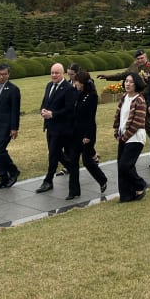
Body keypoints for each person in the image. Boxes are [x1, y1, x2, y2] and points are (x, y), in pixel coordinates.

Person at [64, 69, 107, 199]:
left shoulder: (92, 96)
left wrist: (87, 136)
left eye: (76, 81)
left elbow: (90, 117)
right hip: (75, 133)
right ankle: (74, 191)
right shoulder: (79, 93)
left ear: (82, 82)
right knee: (73, 162)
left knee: (87, 161)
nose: (74, 83)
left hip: (87, 133)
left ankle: (102, 179)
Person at [36, 63, 78, 194]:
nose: (54, 75)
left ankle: (48, 181)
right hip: (50, 127)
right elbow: (45, 101)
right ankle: (72, 167)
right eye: (52, 72)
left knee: (53, 154)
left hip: (62, 129)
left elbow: (69, 109)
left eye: (57, 73)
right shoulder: (49, 86)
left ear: (63, 73)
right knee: (56, 153)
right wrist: (43, 110)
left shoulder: (69, 88)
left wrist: (53, 114)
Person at [112, 72, 148, 202]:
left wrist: (124, 137)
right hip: (123, 136)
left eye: (131, 82)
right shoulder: (124, 97)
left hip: (135, 138)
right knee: (122, 167)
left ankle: (140, 184)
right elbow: (119, 118)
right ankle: (127, 196)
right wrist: (117, 132)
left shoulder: (140, 100)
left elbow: (137, 122)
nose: (127, 84)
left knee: (125, 165)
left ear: (136, 84)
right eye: (126, 81)